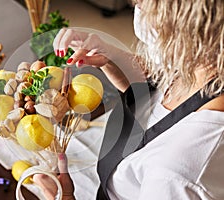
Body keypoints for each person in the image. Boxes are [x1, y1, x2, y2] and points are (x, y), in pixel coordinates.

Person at [33, 0, 224, 199]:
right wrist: (112, 58)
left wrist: (64, 196)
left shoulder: (175, 176)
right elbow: (160, 89)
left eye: (144, 3)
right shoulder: (206, 67)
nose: (135, 5)